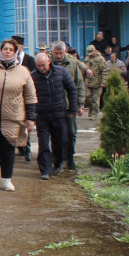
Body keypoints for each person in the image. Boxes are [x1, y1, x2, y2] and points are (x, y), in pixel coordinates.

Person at [0, 39, 36, 191]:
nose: (8, 51)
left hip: (13, 116)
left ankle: (6, 179)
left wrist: (31, 117)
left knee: (8, 147)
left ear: (15, 52)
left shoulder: (23, 71)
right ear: (0, 50)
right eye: (5, 49)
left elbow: (30, 96)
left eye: (11, 49)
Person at [31, 52, 78, 179]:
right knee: (44, 143)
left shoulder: (61, 72)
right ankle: (45, 170)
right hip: (42, 115)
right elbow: (29, 96)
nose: (41, 68)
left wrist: (73, 108)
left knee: (60, 141)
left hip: (59, 113)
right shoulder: (33, 76)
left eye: (43, 65)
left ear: (49, 62)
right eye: (38, 66)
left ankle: (58, 163)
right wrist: (31, 114)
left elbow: (72, 89)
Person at [50, 41, 86, 171]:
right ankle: (57, 159)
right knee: (56, 133)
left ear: (65, 51)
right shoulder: (48, 64)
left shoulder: (73, 63)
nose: (59, 56)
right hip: (54, 104)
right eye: (56, 53)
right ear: (52, 52)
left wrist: (80, 104)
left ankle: (70, 157)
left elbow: (79, 84)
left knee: (71, 132)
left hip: (70, 104)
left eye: (61, 53)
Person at [83, 44, 107, 118]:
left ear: (95, 51)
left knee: (95, 98)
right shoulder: (87, 58)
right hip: (88, 81)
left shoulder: (100, 59)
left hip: (97, 82)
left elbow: (104, 71)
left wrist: (104, 81)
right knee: (88, 96)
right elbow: (84, 69)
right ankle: (91, 108)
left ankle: (94, 113)